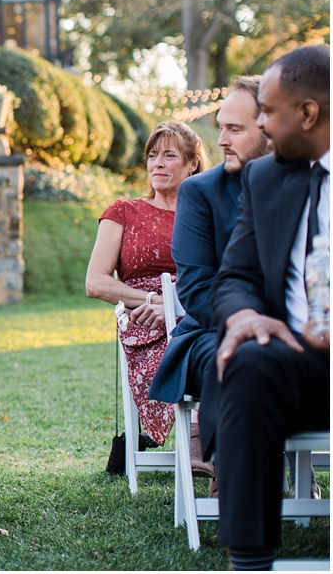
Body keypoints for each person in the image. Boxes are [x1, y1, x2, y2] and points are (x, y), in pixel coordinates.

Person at [210, 45, 329, 571]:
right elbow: (235, 275)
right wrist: (245, 316)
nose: (260, 123)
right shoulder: (264, 178)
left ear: (308, 113)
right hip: (299, 360)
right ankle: (250, 558)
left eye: (268, 111)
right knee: (249, 358)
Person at [148, 77, 269, 485]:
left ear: (272, 126)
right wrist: (256, 323)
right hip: (211, 331)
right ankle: (238, 486)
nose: (220, 140)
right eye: (221, 127)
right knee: (240, 356)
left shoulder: (313, 183)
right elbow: (198, 291)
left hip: (300, 328)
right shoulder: (201, 192)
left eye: (234, 129)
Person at [85, 121, 210, 448]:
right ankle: (199, 438)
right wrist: (153, 299)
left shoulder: (206, 214)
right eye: (153, 155)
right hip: (144, 319)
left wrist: (176, 305)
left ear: (192, 164)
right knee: (177, 346)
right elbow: (95, 282)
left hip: (196, 310)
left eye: (169, 155)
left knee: (214, 346)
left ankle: (207, 437)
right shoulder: (124, 211)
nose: (158, 163)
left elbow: (218, 274)